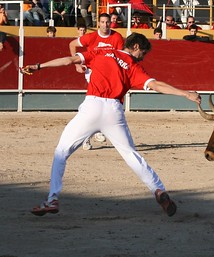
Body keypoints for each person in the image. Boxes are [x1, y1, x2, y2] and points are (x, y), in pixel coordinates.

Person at [22, 32, 201, 217]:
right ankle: (158, 190)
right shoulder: (133, 66)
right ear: (136, 47)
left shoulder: (101, 52)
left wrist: (38, 66)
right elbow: (156, 85)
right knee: (131, 155)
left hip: (92, 106)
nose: (142, 58)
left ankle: (52, 198)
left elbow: (69, 60)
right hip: (114, 111)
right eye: (143, 53)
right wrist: (186, 94)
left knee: (61, 152)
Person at [69, 13, 124, 150]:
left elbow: (120, 56)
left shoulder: (117, 37)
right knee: (99, 101)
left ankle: (92, 132)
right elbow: (72, 44)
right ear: (98, 23)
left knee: (100, 104)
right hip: (93, 72)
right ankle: (94, 132)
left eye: (107, 22)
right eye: (103, 22)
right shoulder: (92, 37)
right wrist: (76, 64)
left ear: (111, 23)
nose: (105, 25)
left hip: (110, 74)